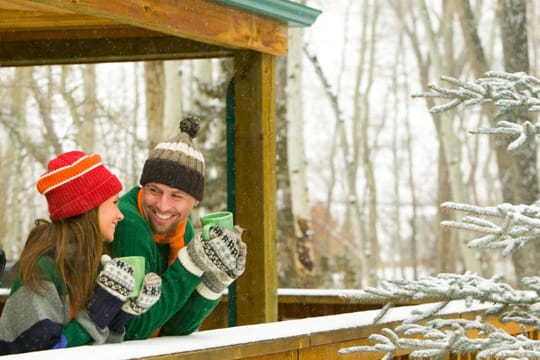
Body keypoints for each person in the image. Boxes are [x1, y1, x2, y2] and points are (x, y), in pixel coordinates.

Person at [0, 150, 162, 354]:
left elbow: (96, 348)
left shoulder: (87, 264)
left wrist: (119, 316)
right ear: (88, 208)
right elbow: (44, 353)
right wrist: (96, 315)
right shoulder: (41, 271)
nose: (120, 214)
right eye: (114, 202)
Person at [108, 115, 247, 339]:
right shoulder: (128, 223)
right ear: (143, 186)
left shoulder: (182, 231)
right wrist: (191, 264)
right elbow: (132, 329)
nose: (163, 205)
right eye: (154, 190)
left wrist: (215, 279)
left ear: (195, 201)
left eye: (176, 196)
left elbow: (175, 327)